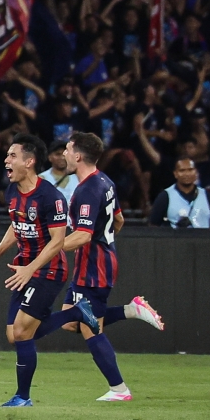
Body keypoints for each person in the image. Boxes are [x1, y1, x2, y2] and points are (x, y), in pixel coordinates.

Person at [0, 134, 99, 407]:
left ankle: (23, 397)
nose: (6, 160)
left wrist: (30, 268)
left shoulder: (51, 197)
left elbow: (58, 241)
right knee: (14, 335)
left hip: (49, 270)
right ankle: (77, 312)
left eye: (12, 156)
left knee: (22, 331)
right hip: (25, 268)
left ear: (29, 161)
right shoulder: (12, 191)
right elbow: (16, 225)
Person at [60, 132, 134, 401]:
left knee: (91, 328)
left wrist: (51, 249)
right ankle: (130, 310)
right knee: (70, 321)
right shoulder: (105, 181)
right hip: (96, 262)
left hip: (94, 268)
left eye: (67, 150)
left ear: (78, 156)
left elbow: (83, 235)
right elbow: (120, 220)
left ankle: (119, 389)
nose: (64, 154)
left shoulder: (88, 189)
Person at [148, 157, 210, 228]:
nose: (187, 174)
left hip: (204, 238)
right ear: (175, 174)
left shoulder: (206, 195)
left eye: (190, 170)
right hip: (175, 238)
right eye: (182, 171)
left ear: (196, 172)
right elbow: (153, 225)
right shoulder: (165, 196)